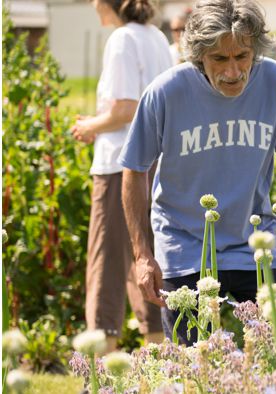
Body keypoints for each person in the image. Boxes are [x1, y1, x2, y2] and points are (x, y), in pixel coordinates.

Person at [118, 0, 276, 345]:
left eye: (242, 56)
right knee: (192, 363)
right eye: (220, 59)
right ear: (198, 56)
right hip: (184, 243)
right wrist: (143, 255)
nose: (233, 71)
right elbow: (133, 170)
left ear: (255, 51)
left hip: (257, 243)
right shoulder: (166, 92)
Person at [71, 0, 172, 352]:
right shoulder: (156, 38)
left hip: (119, 166)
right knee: (146, 258)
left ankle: (101, 369)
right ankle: (160, 367)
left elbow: (125, 109)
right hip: (155, 164)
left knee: (107, 261)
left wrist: (89, 126)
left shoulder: (121, 40)